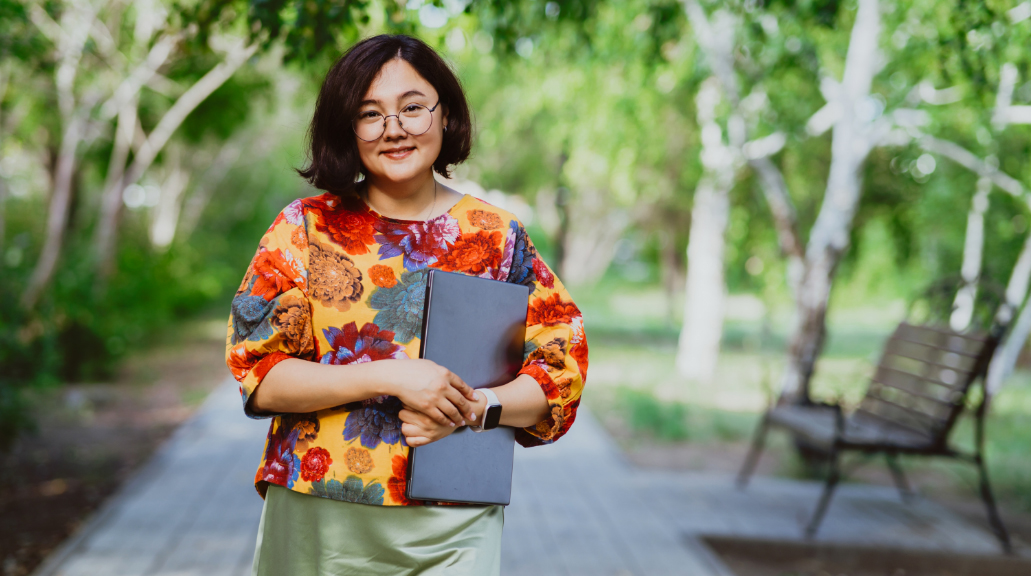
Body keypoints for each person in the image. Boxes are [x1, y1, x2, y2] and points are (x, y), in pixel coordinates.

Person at [225, 34, 588, 576]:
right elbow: (260, 375)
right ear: (347, 129)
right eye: (370, 113)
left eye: (413, 107)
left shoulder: (495, 236)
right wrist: (392, 376)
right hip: (321, 508)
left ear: (446, 115)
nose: (394, 128)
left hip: (455, 518)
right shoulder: (303, 228)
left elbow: (561, 370)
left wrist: (478, 405)